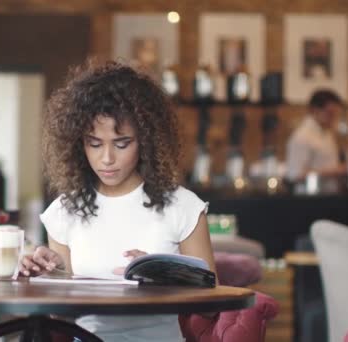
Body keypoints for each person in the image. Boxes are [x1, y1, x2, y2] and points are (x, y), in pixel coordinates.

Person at [18, 60, 216, 341]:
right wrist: (51, 275)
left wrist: (167, 276)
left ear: (146, 141)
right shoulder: (65, 212)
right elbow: (62, 318)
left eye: (122, 143)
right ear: (78, 144)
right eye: (94, 144)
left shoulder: (183, 207)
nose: (107, 158)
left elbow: (211, 307)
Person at [285, 89, 347, 193]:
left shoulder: (327, 133)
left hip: (328, 196)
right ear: (314, 110)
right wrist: (336, 171)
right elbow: (295, 175)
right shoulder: (302, 136)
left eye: (336, 114)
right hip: (311, 201)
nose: (334, 119)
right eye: (330, 114)